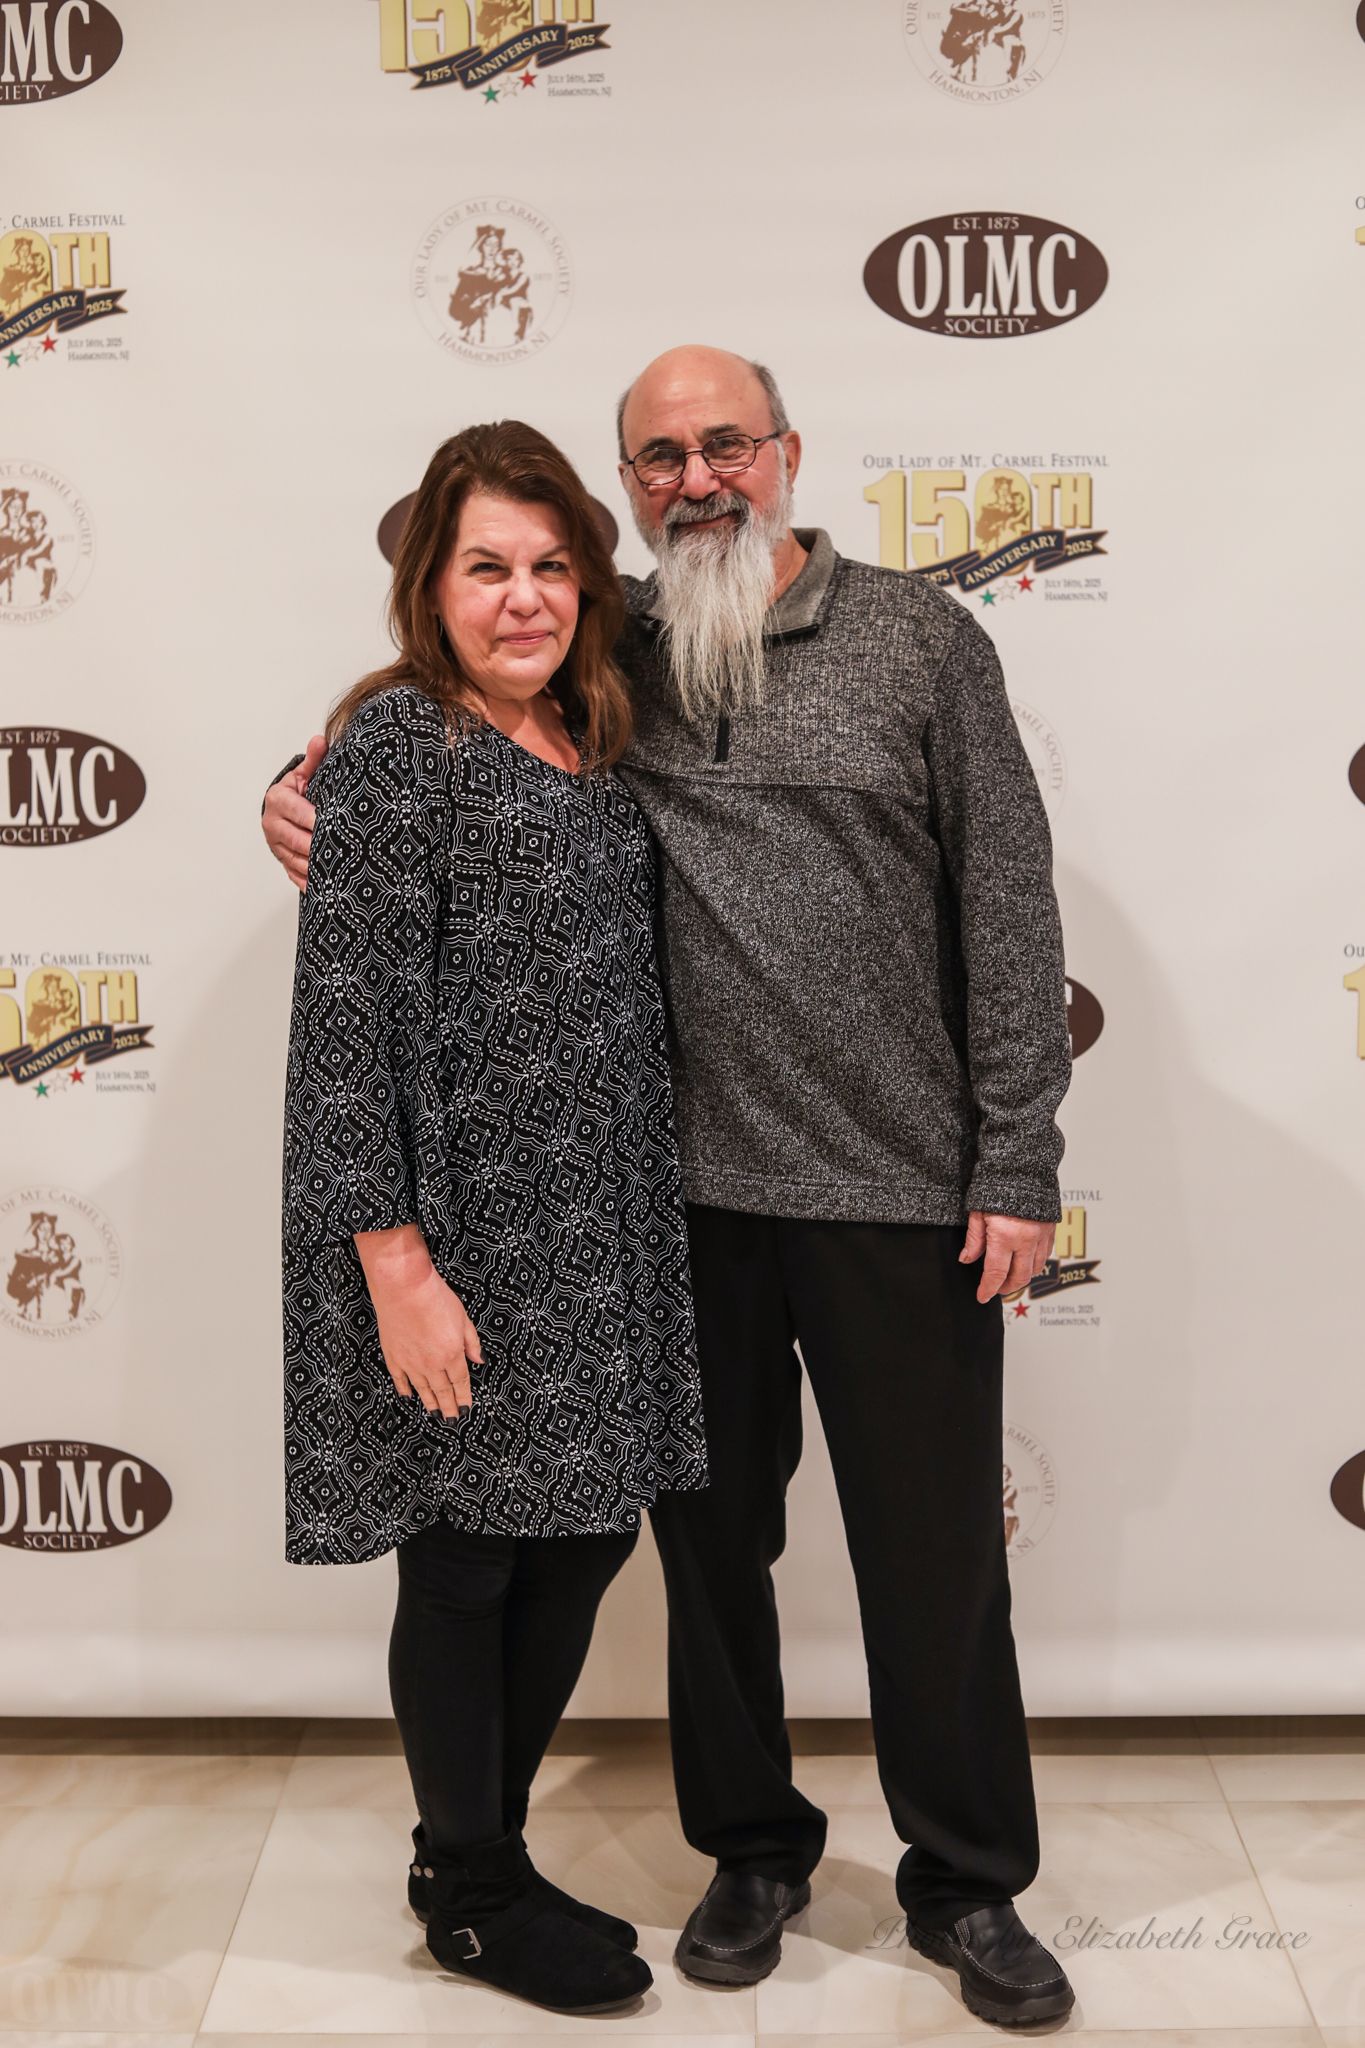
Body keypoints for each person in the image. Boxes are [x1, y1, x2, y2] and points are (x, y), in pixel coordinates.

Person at [264, 348, 1076, 2029]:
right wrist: (298, 782)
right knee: (710, 1569)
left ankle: (965, 1882)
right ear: (625, 486)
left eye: (724, 445)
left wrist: (1015, 1157)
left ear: (786, 451)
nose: (695, 479)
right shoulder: (606, 638)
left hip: (900, 1190)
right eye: (658, 457)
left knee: (934, 1559)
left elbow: (1006, 902)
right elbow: (426, 718)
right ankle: (752, 1851)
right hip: (677, 1204)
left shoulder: (920, 639)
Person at [278, 418, 706, 2016]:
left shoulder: (594, 735)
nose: (522, 597)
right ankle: (470, 1888)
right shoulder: (399, 745)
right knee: (466, 1560)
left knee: (582, 1534)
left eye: (548, 565)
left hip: (598, 1226)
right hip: (459, 1230)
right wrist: (394, 1263)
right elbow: (345, 1025)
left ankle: (477, 1853)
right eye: (484, 569)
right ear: (429, 589)